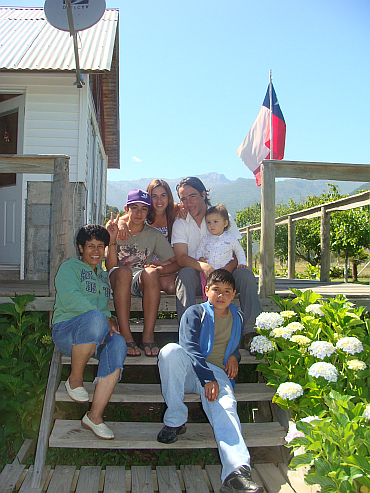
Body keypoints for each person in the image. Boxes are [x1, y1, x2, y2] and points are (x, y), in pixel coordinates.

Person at [157, 269, 264, 493]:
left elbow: (233, 343)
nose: (221, 295)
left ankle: (236, 472)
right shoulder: (195, 312)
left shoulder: (239, 316)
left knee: (226, 406)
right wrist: (206, 378)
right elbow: (189, 347)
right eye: (216, 290)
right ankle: (175, 419)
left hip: (216, 373)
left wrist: (235, 355)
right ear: (206, 291)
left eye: (227, 291)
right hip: (189, 370)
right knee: (170, 352)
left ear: (234, 294)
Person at [52, 224, 126, 440]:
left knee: (118, 343)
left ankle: (94, 416)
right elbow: (71, 298)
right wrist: (102, 318)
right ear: (80, 248)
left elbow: (103, 307)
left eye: (100, 246)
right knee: (95, 318)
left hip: (95, 333)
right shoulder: (69, 268)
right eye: (90, 246)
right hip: (67, 331)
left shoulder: (103, 277)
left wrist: (110, 319)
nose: (96, 251)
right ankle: (75, 379)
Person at [171, 176, 262, 344]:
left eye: (192, 196)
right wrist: (203, 266)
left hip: (227, 273)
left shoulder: (222, 217)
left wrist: (225, 272)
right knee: (185, 274)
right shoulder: (181, 223)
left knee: (246, 275)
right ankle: (189, 333)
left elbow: (236, 252)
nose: (188, 203)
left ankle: (252, 333)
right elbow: (181, 257)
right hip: (199, 277)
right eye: (183, 199)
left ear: (203, 194)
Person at [106, 189, 177, 357]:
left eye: (144, 209)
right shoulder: (115, 229)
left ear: (148, 211)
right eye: (134, 208)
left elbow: (175, 263)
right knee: (123, 272)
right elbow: (110, 268)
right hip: (117, 280)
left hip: (139, 281)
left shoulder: (153, 235)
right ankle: (126, 334)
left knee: (151, 273)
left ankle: (148, 336)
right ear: (126, 209)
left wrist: (159, 269)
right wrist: (112, 240)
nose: (139, 213)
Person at [117, 179, 181, 295]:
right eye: (154, 196)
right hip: (145, 266)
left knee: (172, 286)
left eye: (163, 195)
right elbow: (117, 221)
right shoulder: (143, 215)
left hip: (167, 265)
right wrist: (121, 224)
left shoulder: (175, 216)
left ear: (169, 197)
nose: (159, 200)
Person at [196, 203, 247, 300]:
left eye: (215, 222)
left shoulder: (230, 237)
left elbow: (239, 250)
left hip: (224, 269)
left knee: (223, 288)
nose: (212, 225)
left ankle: (223, 303)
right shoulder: (206, 239)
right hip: (209, 271)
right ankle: (207, 301)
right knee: (207, 286)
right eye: (208, 222)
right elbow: (199, 250)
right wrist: (200, 258)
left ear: (225, 223)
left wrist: (242, 263)